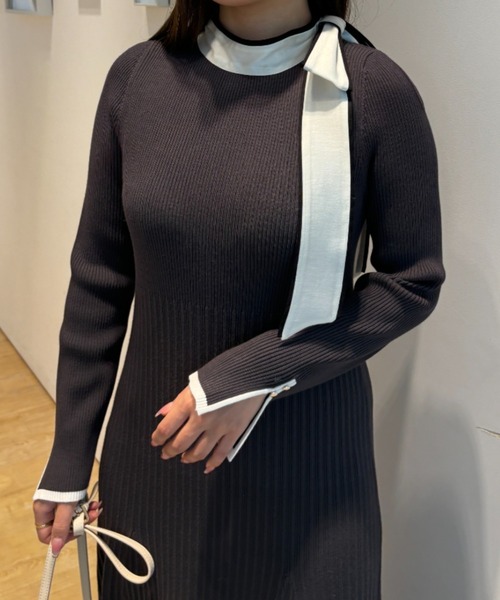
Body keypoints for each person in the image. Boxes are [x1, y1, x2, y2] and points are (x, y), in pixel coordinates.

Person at [33, 0, 445, 597]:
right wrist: (70, 457)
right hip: (158, 464)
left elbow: (411, 281)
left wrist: (254, 374)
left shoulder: (372, 90)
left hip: (311, 474)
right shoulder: (138, 79)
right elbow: (100, 280)